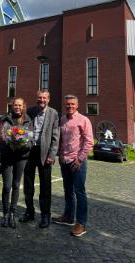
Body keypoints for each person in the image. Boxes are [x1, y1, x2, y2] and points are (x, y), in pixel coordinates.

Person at [52, 95, 94, 237]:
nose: (69, 106)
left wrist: (80, 159)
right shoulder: (62, 120)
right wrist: (59, 156)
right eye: (67, 104)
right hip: (64, 161)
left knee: (80, 192)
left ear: (77, 105)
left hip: (77, 163)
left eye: (72, 104)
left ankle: (81, 223)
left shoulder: (84, 120)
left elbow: (89, 142)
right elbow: (61, 140)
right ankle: (69, 217)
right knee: (68, 191)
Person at [19, 90, 60, 228]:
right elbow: (23, 130)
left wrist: (52, 155)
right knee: (28, 185)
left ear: (48, 99)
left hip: (45, 153)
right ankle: (29, 212)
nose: (41, 100)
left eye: (44, 98)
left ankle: (45, 215)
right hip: (30, 151)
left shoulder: (53, 113)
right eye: (39, 97)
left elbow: (55, 136)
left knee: (45, 187)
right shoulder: (30, 111)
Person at [0, 98, 34, 228]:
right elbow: (0, 135)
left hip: (21, 157)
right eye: (15, 105)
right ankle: (5, 214)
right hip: (7, 157)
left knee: (16, 184)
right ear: (12, 106)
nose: (17, 107)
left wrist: (21, 145)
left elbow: (31, 139)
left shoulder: (28, 120)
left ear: (23, 106)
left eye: (20, 105)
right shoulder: (5, 119)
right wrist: (7, 140)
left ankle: (12, 213)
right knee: (7, 186)